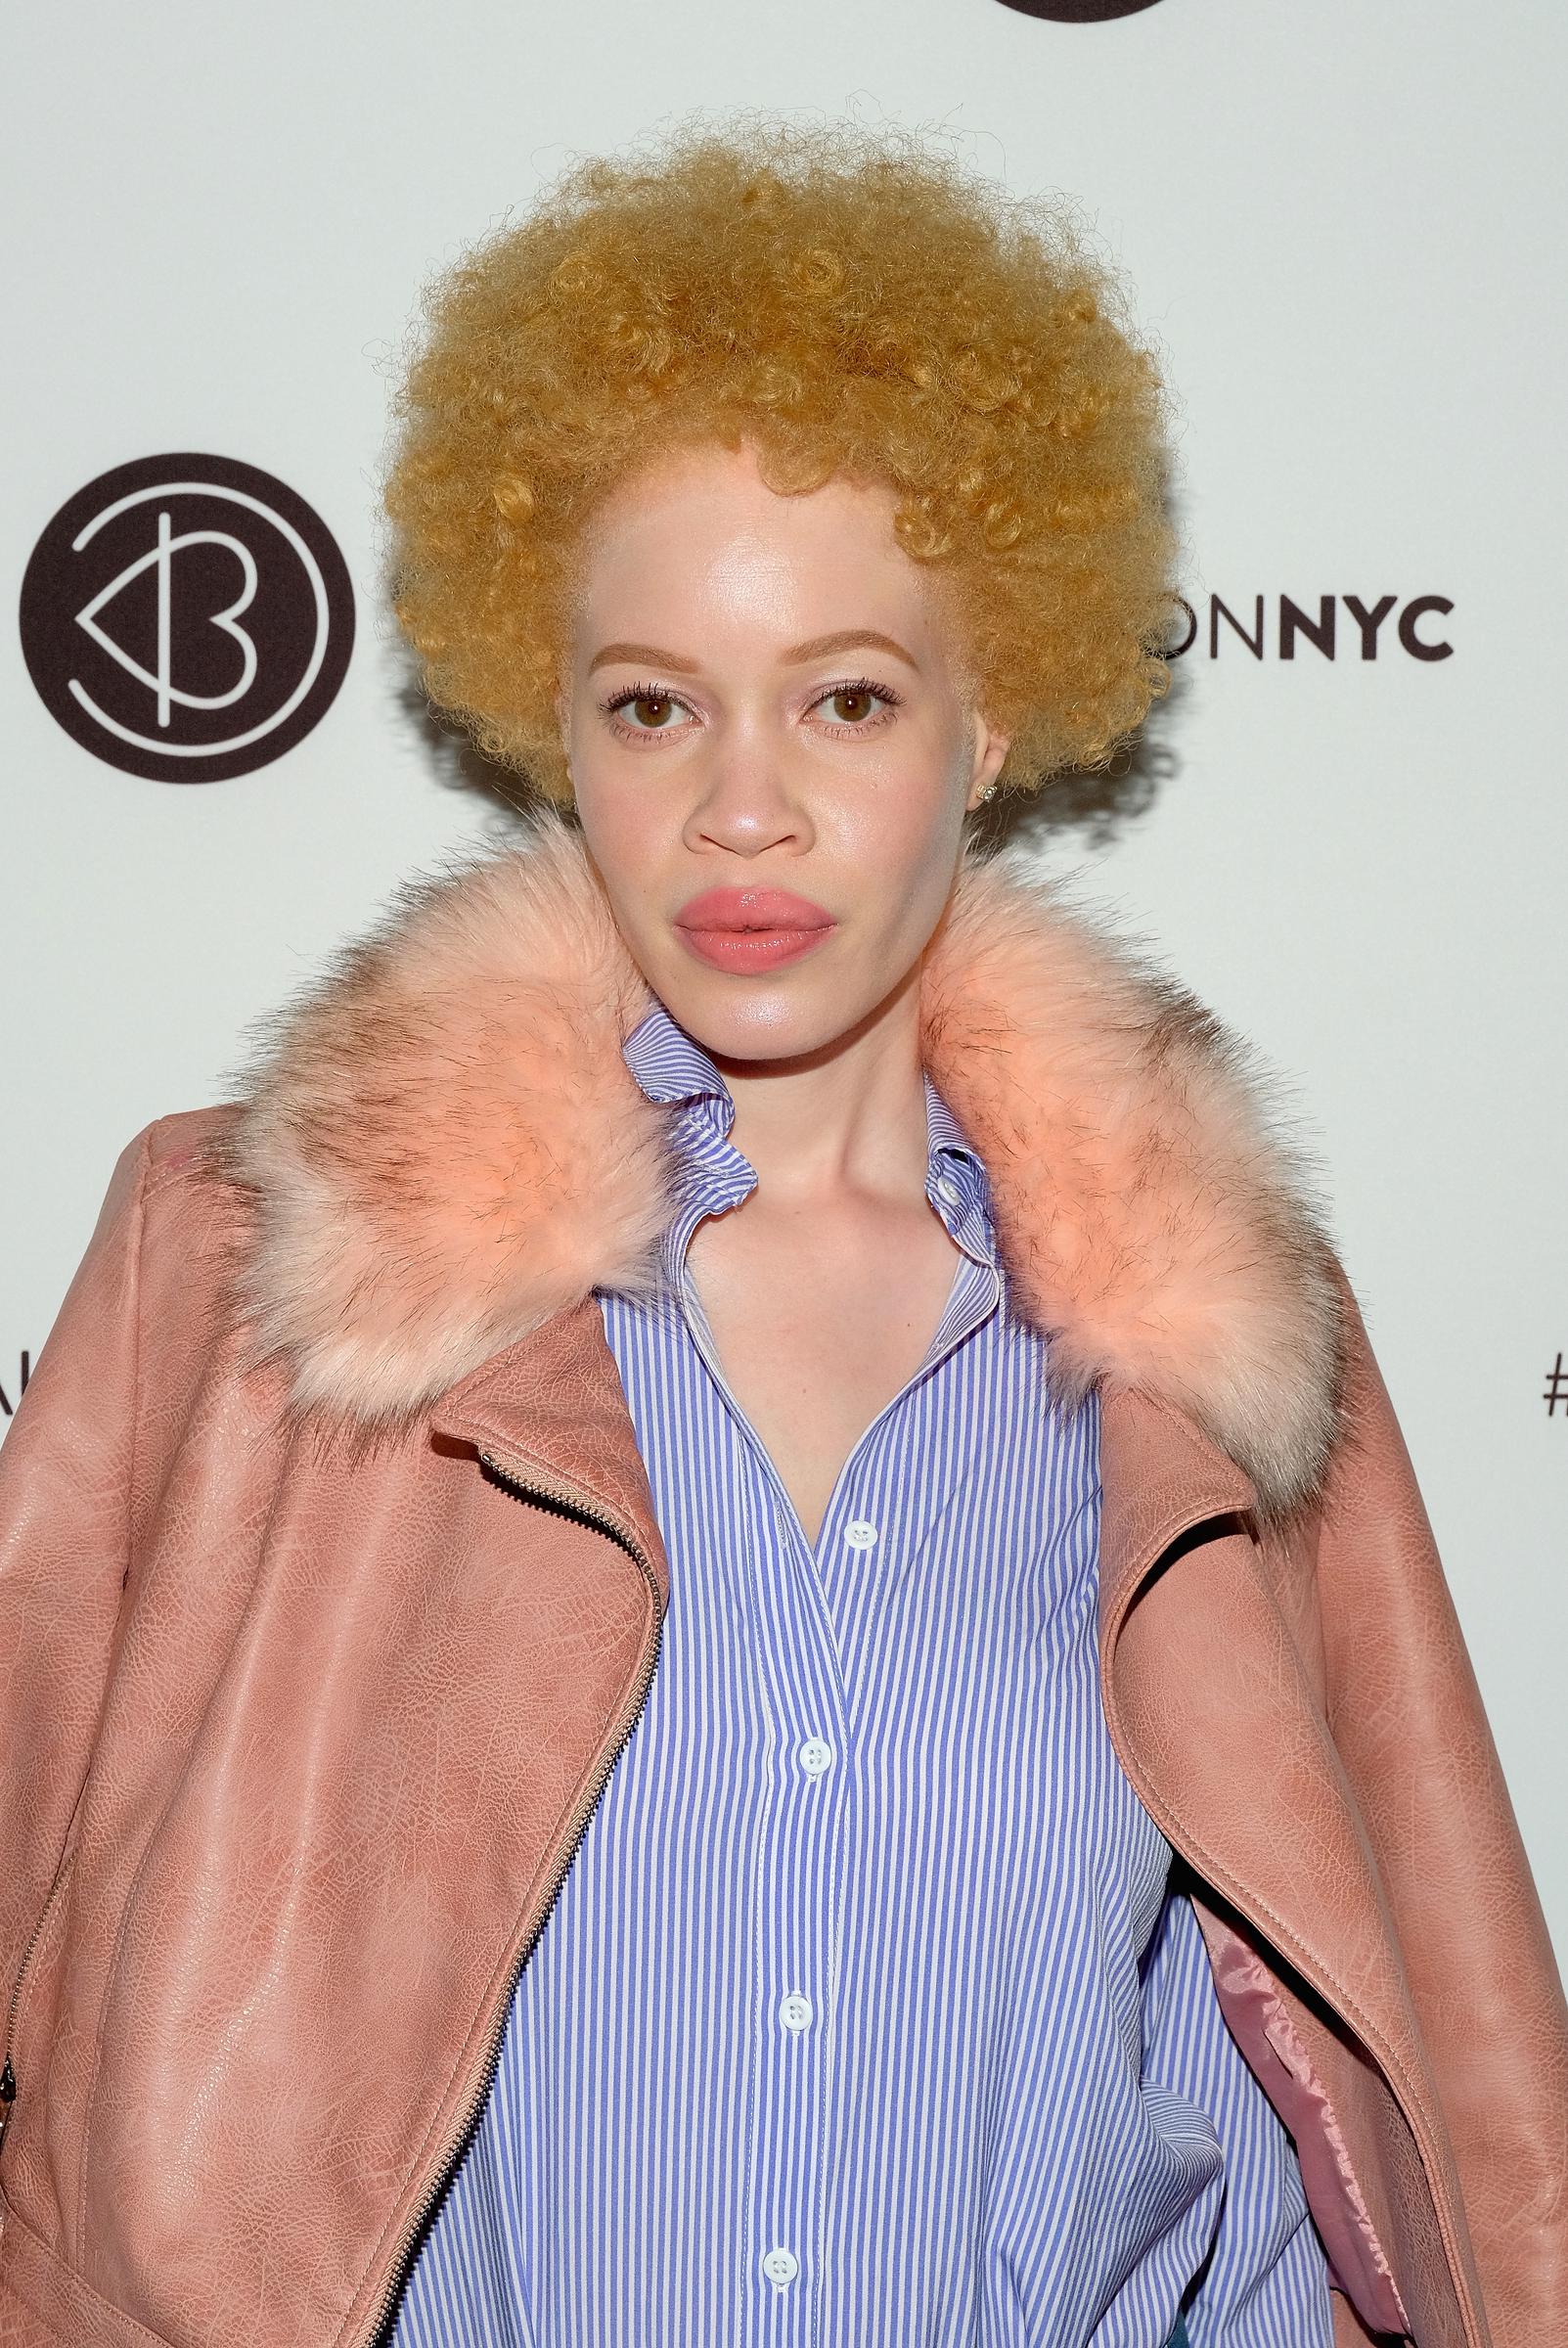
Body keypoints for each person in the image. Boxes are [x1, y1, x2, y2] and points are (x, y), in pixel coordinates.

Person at [0, 114, 1562, 2348]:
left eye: (846, 696)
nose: (744, 805)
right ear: (556, 723)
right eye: (656, 705)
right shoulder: (244, 1267)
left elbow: (1456, 2039)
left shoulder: (1207, 1330)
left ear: (991, 714)